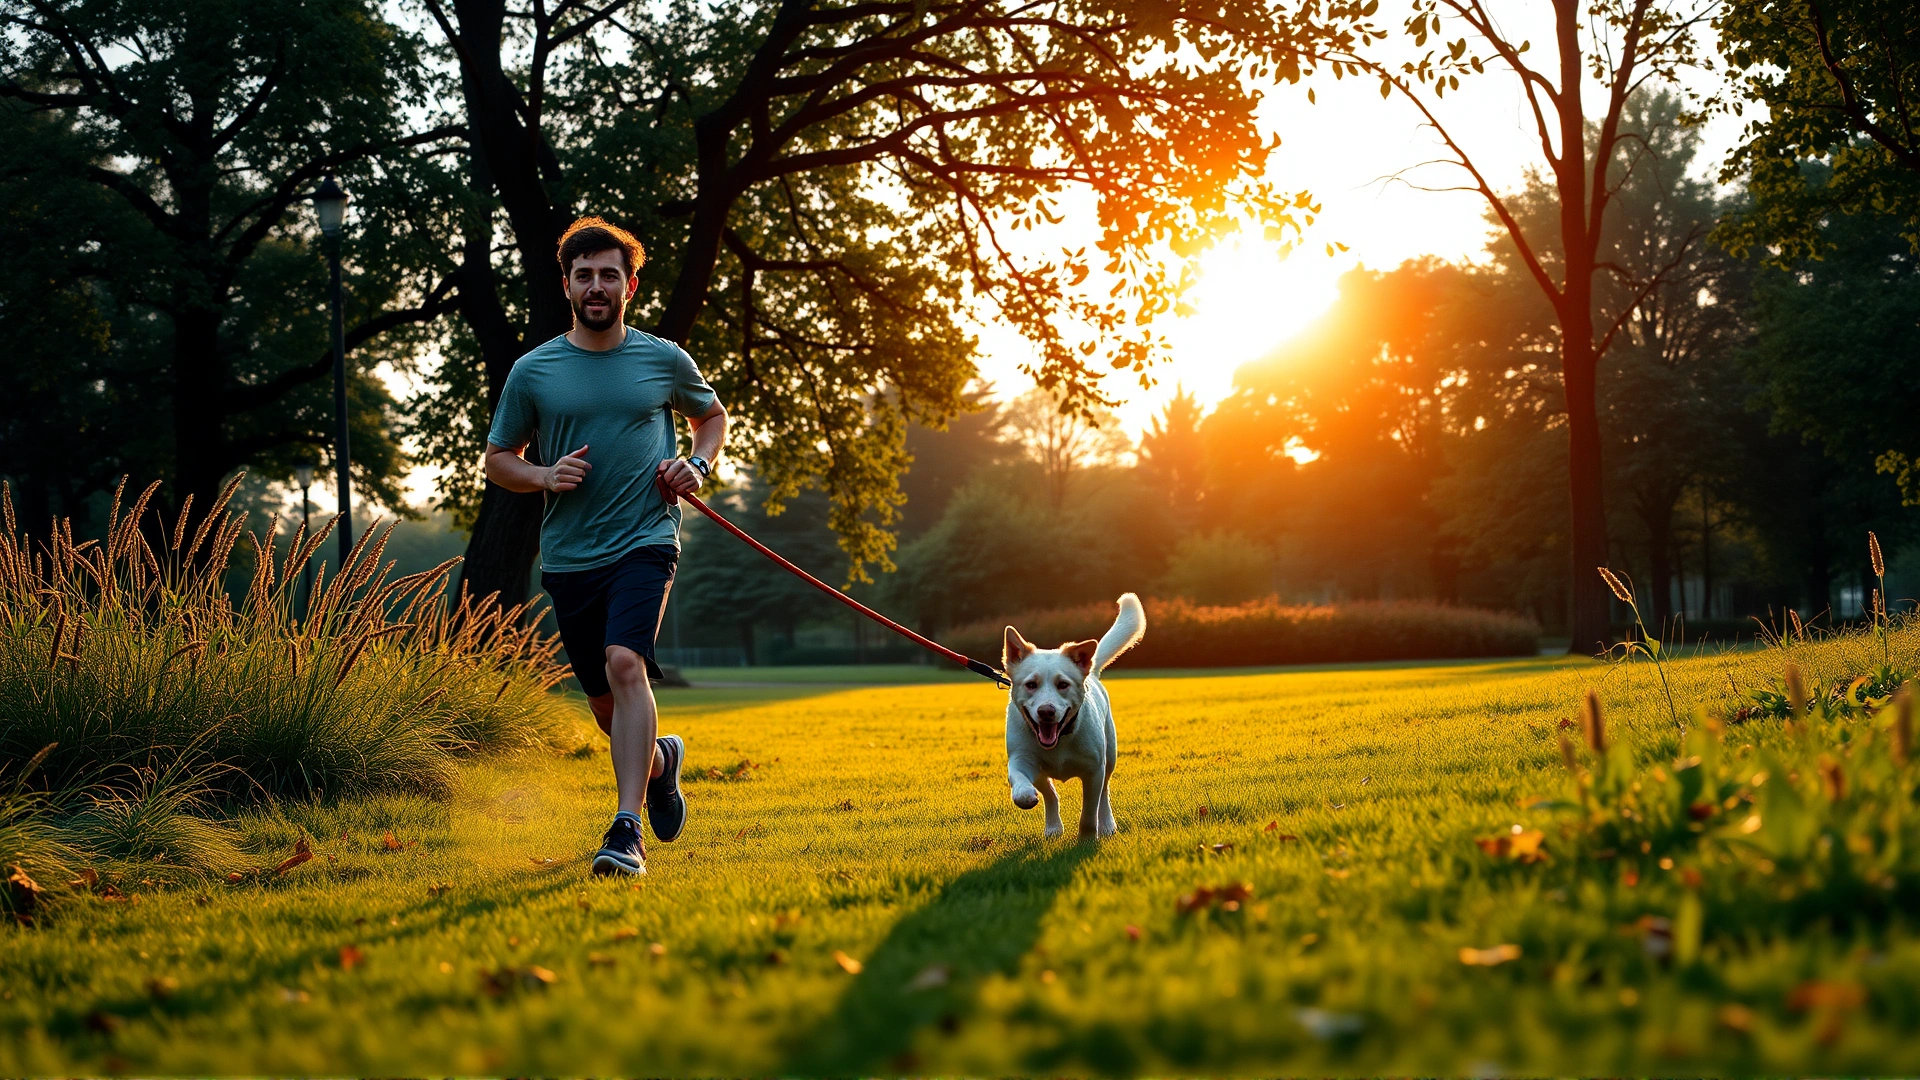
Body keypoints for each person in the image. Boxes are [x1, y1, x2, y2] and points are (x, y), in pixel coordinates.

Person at [483, 216, 728, 877]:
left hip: (646, 538)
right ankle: (659, 762)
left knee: (626, 665)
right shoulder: (533, 371)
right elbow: (498, 459)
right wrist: (543, 476)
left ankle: (626, 830)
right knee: (602, 701)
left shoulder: (663, 358)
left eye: (609, 275)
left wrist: (696, 467)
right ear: (567, 284)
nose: (597, 286)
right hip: (569, 557)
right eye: (585, 275)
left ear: (631, 284)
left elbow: (712, 418)